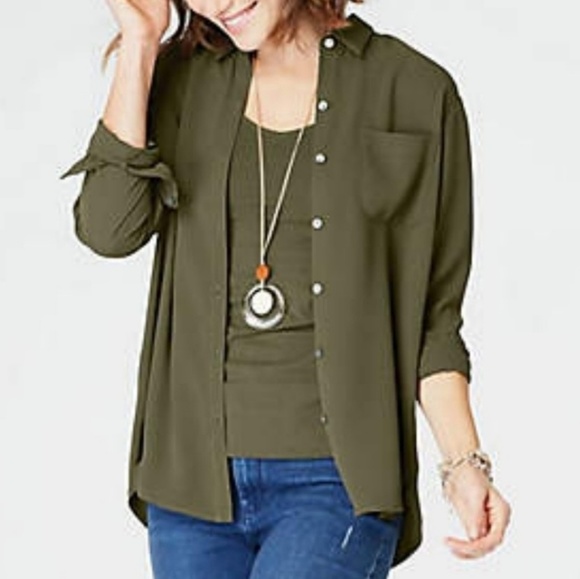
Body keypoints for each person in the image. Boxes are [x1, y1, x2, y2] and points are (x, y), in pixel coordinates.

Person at [60, 0, 512, 576]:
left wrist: (464, 463)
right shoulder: (182, 79)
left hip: (336, 482)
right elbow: (109, 228)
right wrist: (141, 42)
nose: (217, 3)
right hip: (191, 482)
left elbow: (434, 319)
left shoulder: (413, 91)